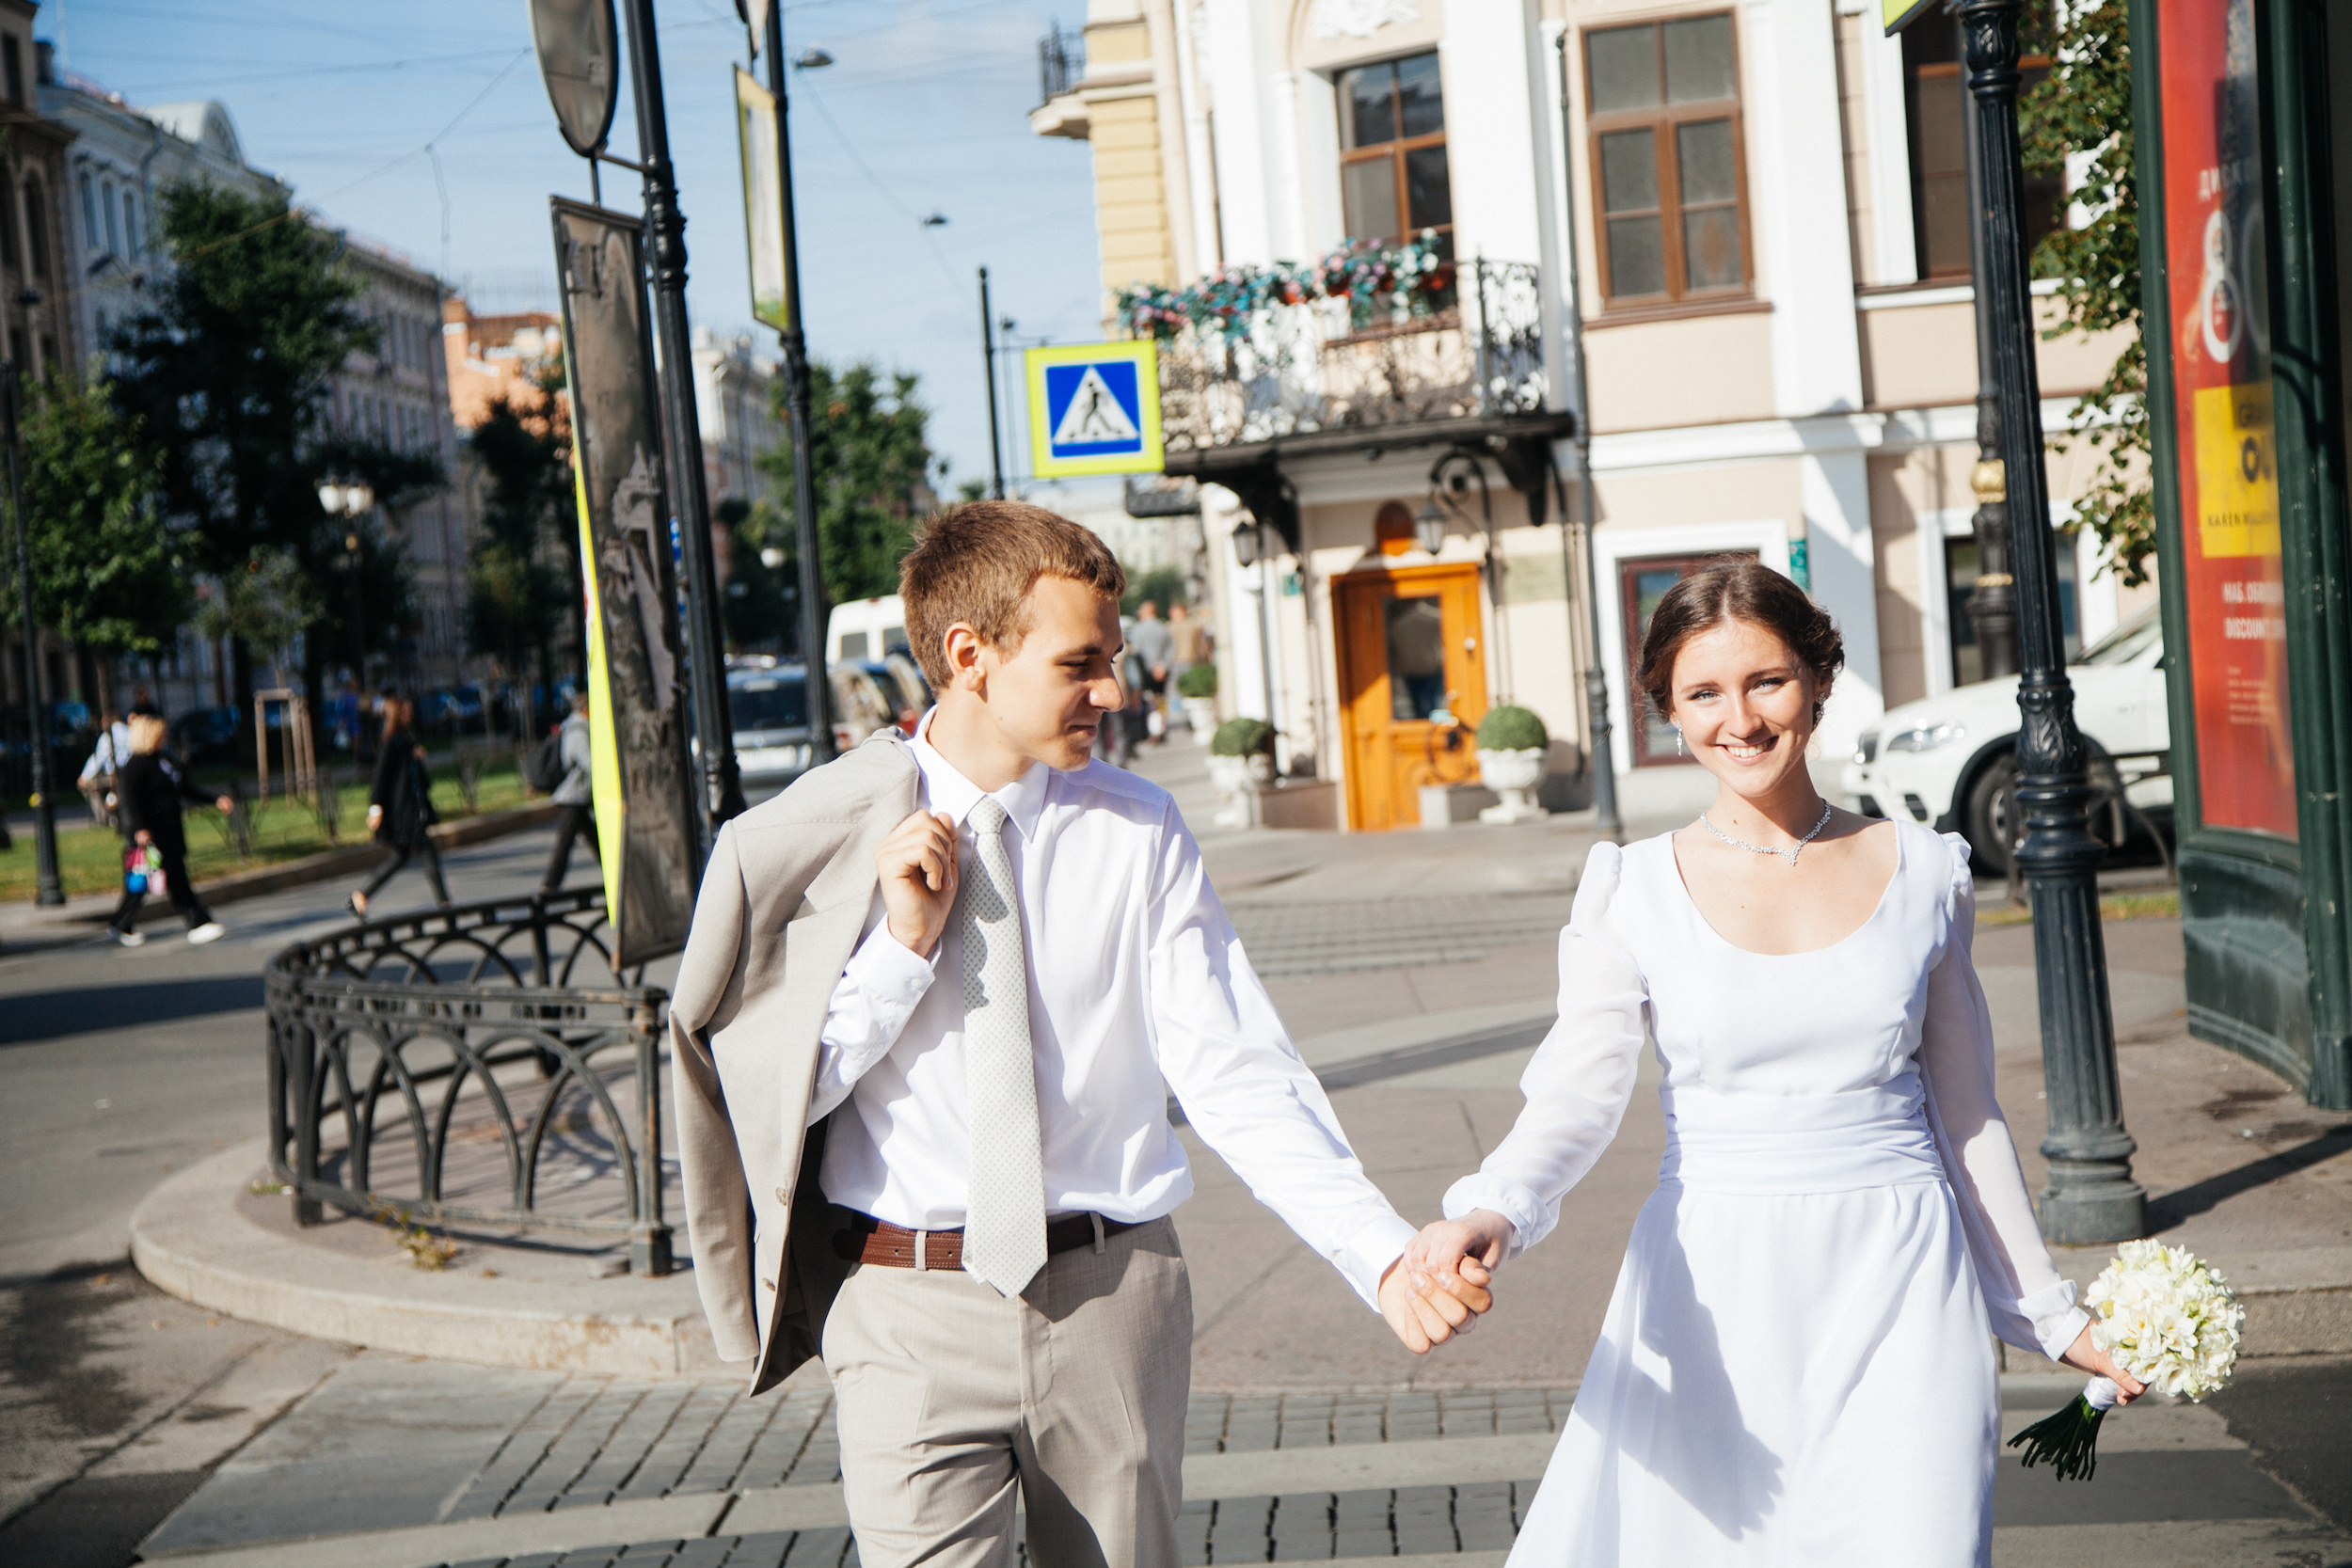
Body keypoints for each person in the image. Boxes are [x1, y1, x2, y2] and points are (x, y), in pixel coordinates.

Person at [668, 500, 1485, 1568]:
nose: (1113, 688)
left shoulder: (1137, 827)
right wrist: (901, 953)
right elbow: (768, 1105)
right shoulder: (815, 837)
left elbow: (1234, 1070)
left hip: (1113, 1301)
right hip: (905, 1306)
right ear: (971, 655)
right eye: (1078, 662)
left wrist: (1379, 1255)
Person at [1399, 561, 2144, 1565]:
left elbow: (1967, 1118)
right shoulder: (1631, 888)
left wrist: (2052, 1318)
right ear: (1666, 708)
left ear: (1819, 679)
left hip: (1902, 1282)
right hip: (1715, 1282)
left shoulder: (1924, 870)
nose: (1739, 718)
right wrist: (1492, 1208)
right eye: (1703, 691)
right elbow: (1576, 1093)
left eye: (1767, 681)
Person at [109, 712, 232, 948]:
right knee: (142, 882)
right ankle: (195, 922)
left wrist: (216, 799)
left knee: (171, 878)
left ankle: (195, 921)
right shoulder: (136, 765)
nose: (164, 738)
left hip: (169, 830)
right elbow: (132, 801)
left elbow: (185, 788)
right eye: (160, 734)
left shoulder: (163, 760)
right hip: (150, 834)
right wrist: (141, 829)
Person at [347, 696, 448, 916]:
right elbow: (380, 779)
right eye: (405, 711)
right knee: (427, 851)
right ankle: (445, 904)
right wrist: (376, 808)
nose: (410, 714)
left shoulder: (406, 739)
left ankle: (361, 895)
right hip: (402, 811)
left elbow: (417, 776)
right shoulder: (390, 742)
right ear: (396, 714)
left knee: (400, 857)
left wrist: (417, 758)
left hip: (411, 807)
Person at [541, 689, 598, 891]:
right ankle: (550, 885)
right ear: (585, 710)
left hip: (578, 795)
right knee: (565, 842)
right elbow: (588, 762)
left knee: (593, 838)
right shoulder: (577, 730)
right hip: (573, 795)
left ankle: (551, 884)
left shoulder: (576, 728)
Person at [1128, 599, 1175, 744]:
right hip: (1161, 670)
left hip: (1146, 671)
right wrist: (1163, 666)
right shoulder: (1163, 628)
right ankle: (1161, 728)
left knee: (1150, 701)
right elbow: (1171, 650)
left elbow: (1135, 652)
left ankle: (1154, 731)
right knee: (1161, 700)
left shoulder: (1138, 629)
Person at [79, 705, 131, 827]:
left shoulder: (106, 737)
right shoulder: (128, 731)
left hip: (113, 776)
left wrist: (85, 776)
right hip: (128, 774)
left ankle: (104, 818)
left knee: (90, 786)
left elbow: (98, 760)